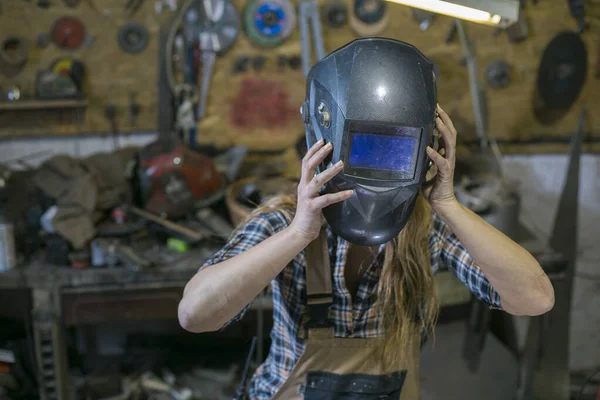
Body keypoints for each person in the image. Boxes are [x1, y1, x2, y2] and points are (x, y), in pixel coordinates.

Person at [178, 38, 554, 400]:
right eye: (363, 148)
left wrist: (448, 203)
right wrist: (297, 235)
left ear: (428, 147)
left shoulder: (424, 229)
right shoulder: (284, 221)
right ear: (324, 140)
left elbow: (534, 298)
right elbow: (195, 315)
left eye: (396, 152)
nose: (376, 176)